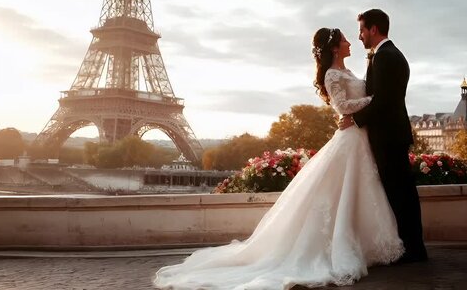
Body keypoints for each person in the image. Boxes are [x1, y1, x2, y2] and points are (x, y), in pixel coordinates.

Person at [153, 27, 404, 290]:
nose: (349, 42)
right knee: (348, 194)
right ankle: (342, 247)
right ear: (334, 48)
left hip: (358, 137)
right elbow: (342, 107)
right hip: (351, 138)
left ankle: (360, 245)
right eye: (344, 40)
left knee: (355, 194)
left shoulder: (348, 72)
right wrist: (374, 100)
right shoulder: (332, 74)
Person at [339, 9, 428, 263]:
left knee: (400, 194)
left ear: (373, 29)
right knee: (401, 193)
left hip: (389, 137)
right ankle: (413, 247)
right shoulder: (387, 55)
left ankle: (413, 250)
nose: (359, 36)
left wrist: (354, 120)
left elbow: (384, 102)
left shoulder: (386, 57)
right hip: (391, 135)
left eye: (361, 30)